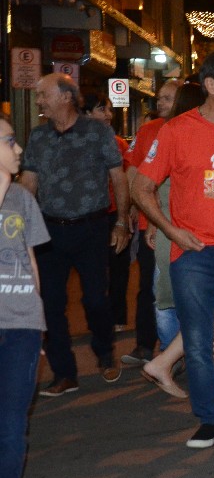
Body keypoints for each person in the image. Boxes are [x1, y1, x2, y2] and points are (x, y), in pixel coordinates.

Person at [133, 49, 214, 450]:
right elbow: (141, 188)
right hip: (193, 255)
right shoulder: (176, 131)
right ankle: (209, 419)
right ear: (209, 86)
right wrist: (172, 231)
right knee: (198, 342)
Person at [21, 73, 131, 396]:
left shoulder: (98, 132)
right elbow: (29, 183)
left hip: (92, 229)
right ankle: (64, 373)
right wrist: (21, 229)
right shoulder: (38, 137)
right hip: (49, 230)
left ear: (66, 97)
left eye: (43, 95)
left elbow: (118, 179)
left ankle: (104, 350)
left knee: (96, 299)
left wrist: (122, 222)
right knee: (50, 304)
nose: (39, 101)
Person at [0, 118, 49, 478]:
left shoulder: (22, 199)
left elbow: (31, 260)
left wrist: (40, 318)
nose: (18, 150)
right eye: (10, 141)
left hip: (20, 324)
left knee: (12, 424)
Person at [120, 79, 179, 368]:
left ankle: (177, 352)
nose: (162, 103)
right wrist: (132, 205)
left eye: (170, 98)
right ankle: (146, 344)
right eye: (161, 98)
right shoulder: (147, 131)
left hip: (181, 225)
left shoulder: (187, 129)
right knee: (150, 287)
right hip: (150, 223)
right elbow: (132, 171)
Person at [83, 91, 132, 332]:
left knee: (119, 268)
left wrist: (126, 214)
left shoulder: (120, 144)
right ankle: (98, 319)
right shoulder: (76, 142)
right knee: (93, 271)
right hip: (89, 217)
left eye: (109, 109)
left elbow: (128, 179)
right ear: (86, 113)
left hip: (115, 214)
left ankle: (118, 317)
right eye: (102, 109)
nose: (108, 115)